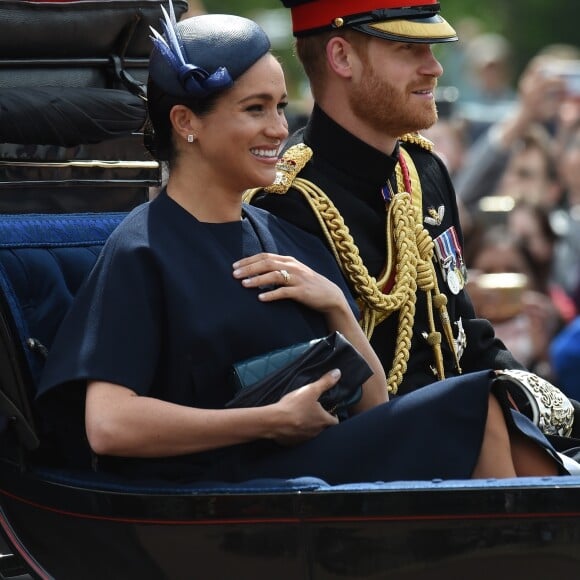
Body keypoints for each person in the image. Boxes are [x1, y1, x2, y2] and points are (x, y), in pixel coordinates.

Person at [34, 7, 568, 484]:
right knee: (474, 409)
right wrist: (267, 420)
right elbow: (106, 426)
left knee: (487, 406)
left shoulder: (278, 237)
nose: (277, 129)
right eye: (254, 109)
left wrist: (337, 305)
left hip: (301, 471)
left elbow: (370, 399)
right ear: (185, 122)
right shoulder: (144, 245)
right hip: (227, 488)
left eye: (279, 106)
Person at [247, 0, 530, 398]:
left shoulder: (423, 168)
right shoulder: (286, 201)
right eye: (407, 49)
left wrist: (565, 418)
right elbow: (321, 394)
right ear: (342, 57)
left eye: (430, 49)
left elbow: (468, 338)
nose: (434, 67)